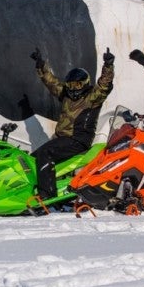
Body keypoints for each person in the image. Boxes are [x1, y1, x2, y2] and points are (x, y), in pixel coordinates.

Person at [29, 47, 115, 202]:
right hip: (62, 139)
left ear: (85, 84)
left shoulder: (92, 98)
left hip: (78, 140)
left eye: (77, 85)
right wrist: (40, 65)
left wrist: (108, 65)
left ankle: (47, 195)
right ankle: (30, 191)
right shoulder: (66, 95)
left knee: (45, 153)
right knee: (33, 158)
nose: (73, 89)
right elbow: (52, 82)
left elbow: (104, 85)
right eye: (70, 85)